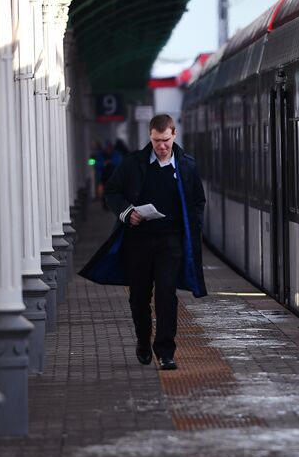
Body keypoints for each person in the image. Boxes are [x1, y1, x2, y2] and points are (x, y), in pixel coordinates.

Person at [79, 115, 206, 370]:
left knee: (166, 294)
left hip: (170, 241)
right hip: (138, 241)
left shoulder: (187, 166)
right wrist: (127, 212)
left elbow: (197, 201)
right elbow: (112, 191)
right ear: (150, 136)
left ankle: (166, 352)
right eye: (157, 140)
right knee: (139, 296)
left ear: (174, 135)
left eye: (166, 140)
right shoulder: (132, 164)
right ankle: (142, 340)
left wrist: (191, 229)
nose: (162, 146)